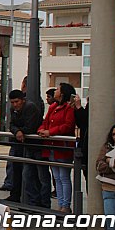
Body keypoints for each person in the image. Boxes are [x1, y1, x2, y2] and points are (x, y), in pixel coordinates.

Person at [38, 82, 76, 213]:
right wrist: (42, 129)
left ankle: (66, 205)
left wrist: (51, 132)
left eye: (58, 89)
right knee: (57, 176)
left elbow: (68, 125)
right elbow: (45, 122)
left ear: (63, 93)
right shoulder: (53, 107)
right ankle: (60, 203)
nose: (55, 91)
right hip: (52, 146)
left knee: (64, 176)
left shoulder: (68, 108)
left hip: (63, 146)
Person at [7, 89, 45, 206]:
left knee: (38, 176)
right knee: (25, 174)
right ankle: (31, 200)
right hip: (24, 144)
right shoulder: (14, 110)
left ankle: (40, 202)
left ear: (22, 100)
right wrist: (17, 131)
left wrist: (19, 131)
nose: (15, 105)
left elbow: (31, 127)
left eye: (17, 102)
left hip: (35, 145)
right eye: (12, 102)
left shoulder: (30, 108)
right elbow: (11, 124)